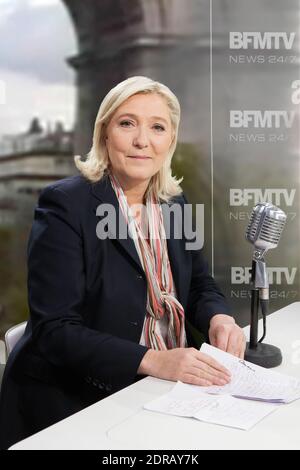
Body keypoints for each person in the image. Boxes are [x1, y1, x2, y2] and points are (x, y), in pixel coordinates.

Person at [0, 76, 245, 449]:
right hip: (78, 398)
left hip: (164, 388)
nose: (142, 141)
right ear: (104, 134)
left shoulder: (173, 203)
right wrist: (152, 360)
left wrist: (219, 318)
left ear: (170, 141)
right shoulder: (66, 205)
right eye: (127, 123)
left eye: (157, 127)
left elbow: (198, 284)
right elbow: (56, 329)